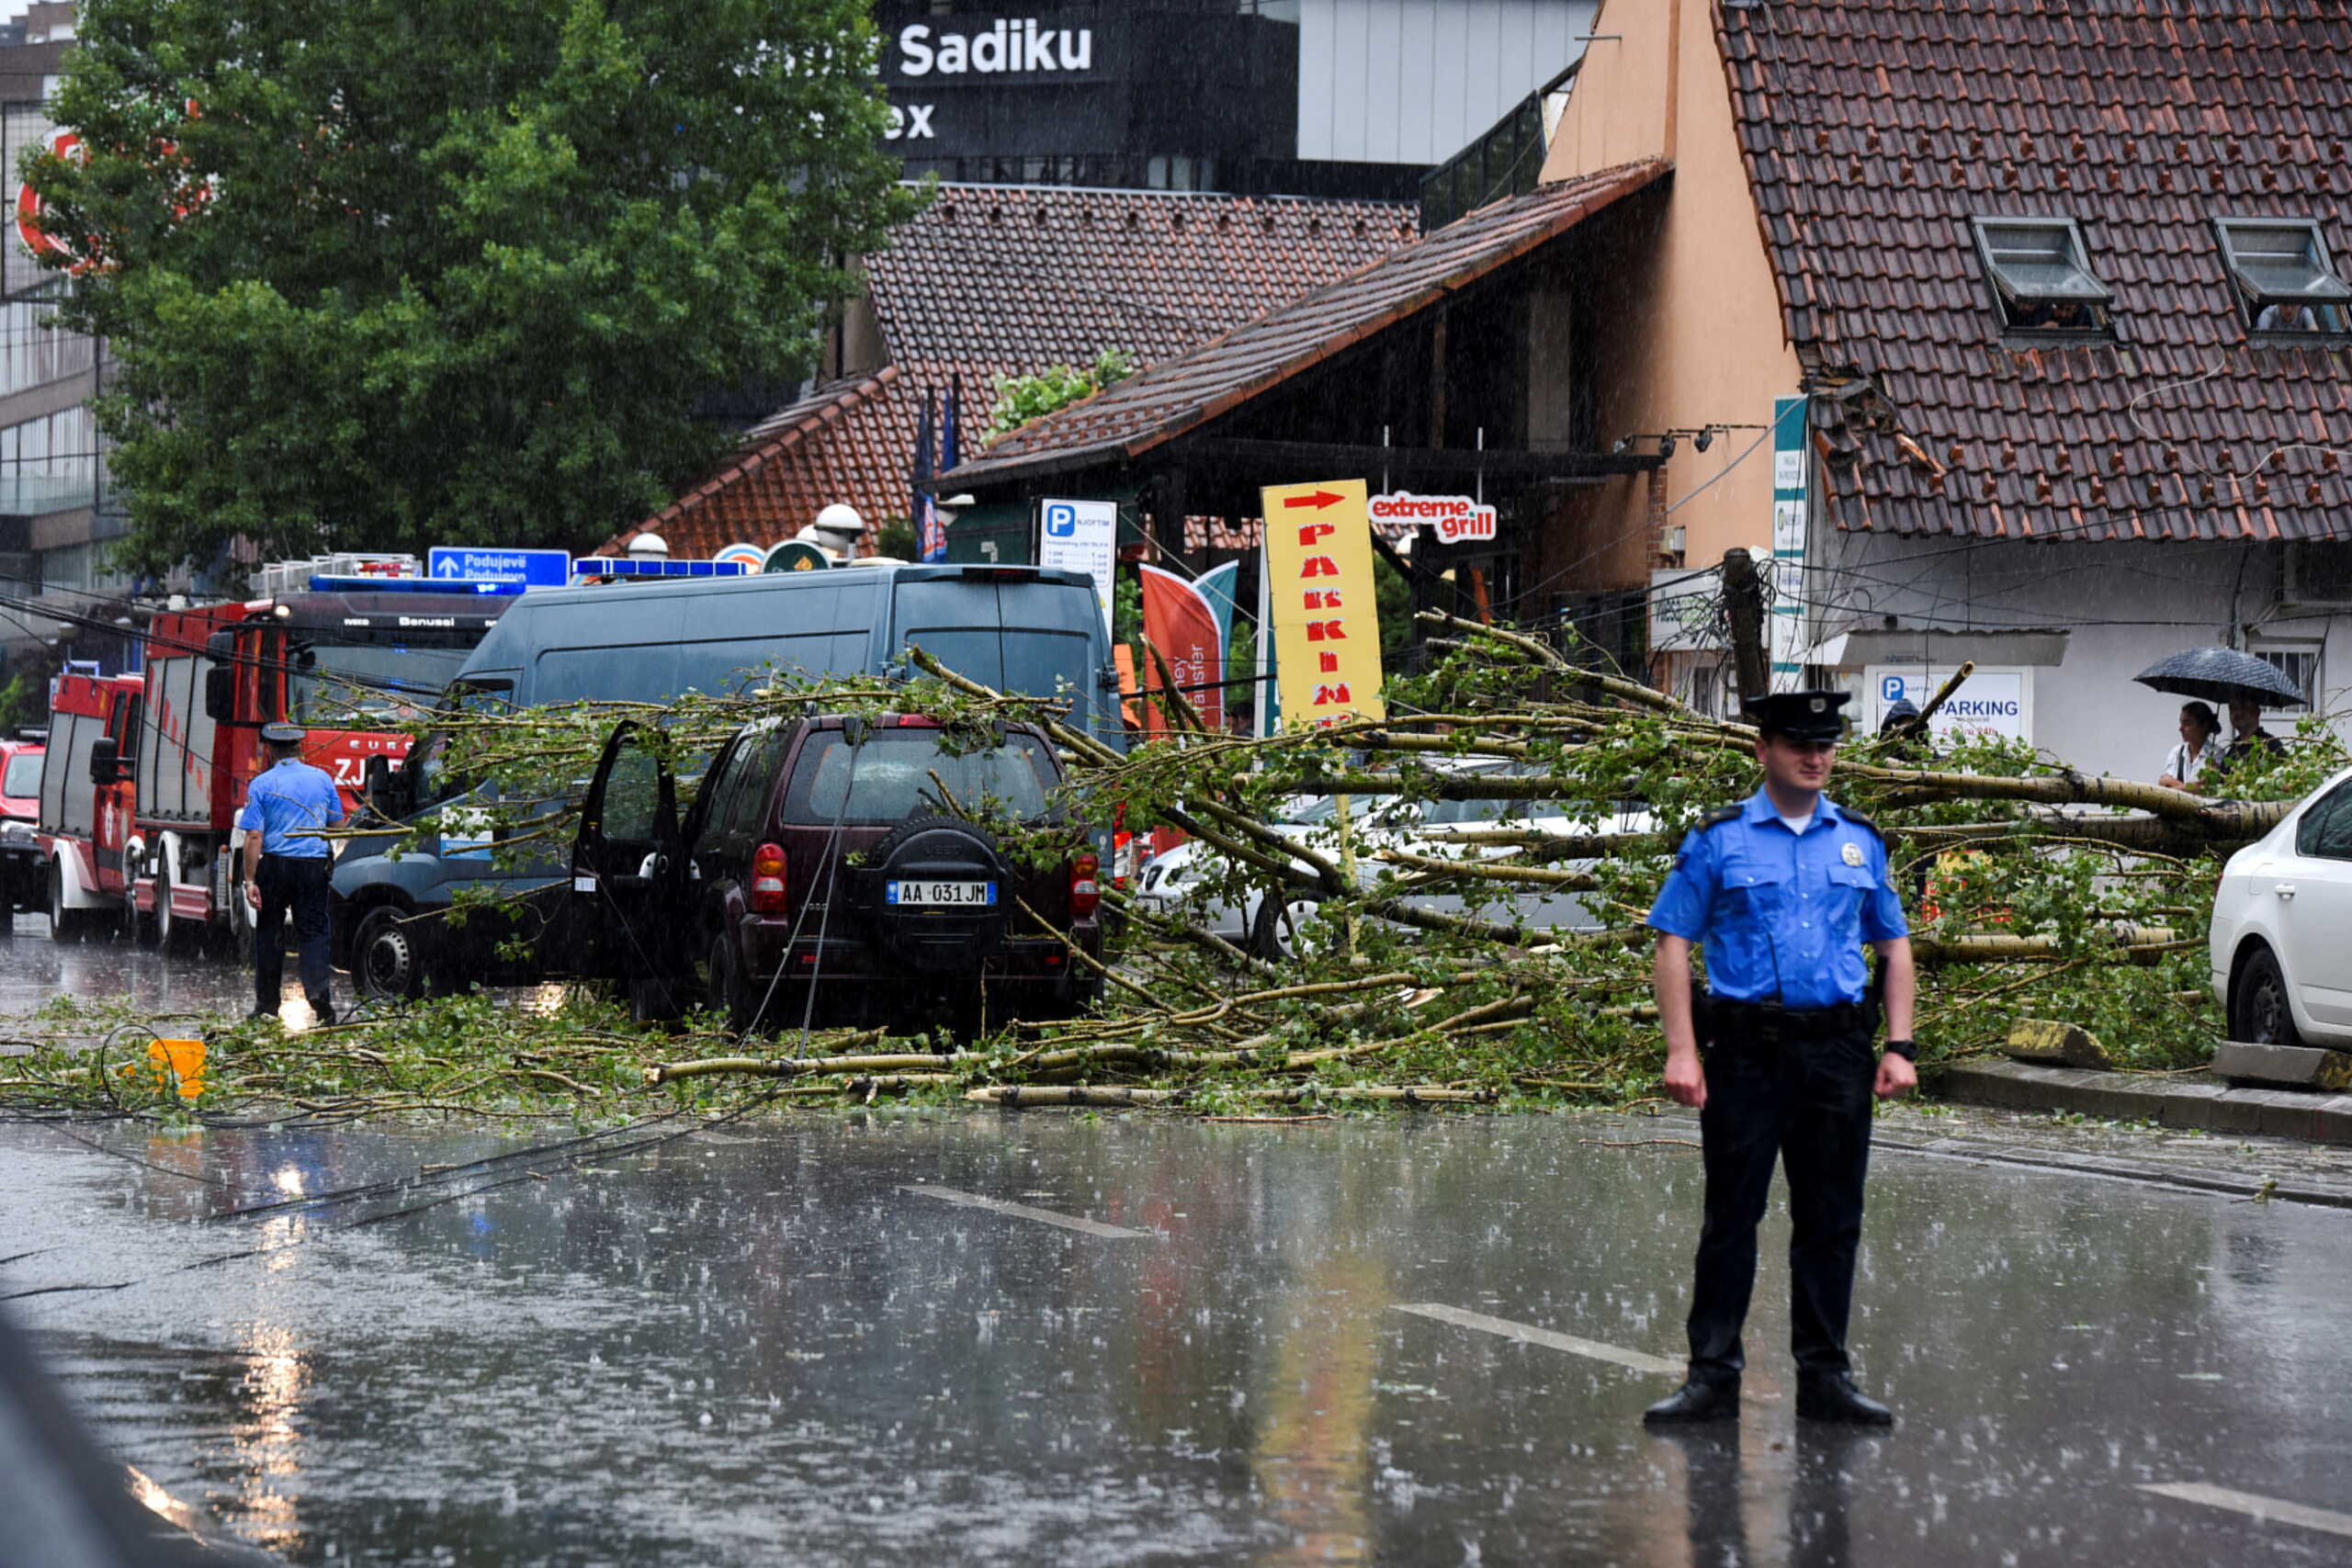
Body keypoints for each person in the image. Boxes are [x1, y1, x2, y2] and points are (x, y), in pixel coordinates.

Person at [1642, 689, 1917, 1427]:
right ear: (1761, 749)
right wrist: (1682, 1050)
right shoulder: (1719, 839)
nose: (1816, 756)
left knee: (1832, 1220)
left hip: (1836, 1053)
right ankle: (1711, 1378)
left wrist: (1899, 1045)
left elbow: (1892, 944)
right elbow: (1673, 939)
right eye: (1799, 743)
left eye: (1826, 744)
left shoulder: (1859, 840)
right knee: (1732, 1216)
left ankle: (1826, 1377)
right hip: (1746, 1052)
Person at [240, 721, 346, 1023]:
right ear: (300, 748)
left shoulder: (261, 784)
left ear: (270, 750)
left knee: (270, 934)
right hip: (313, 867)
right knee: (313, 933)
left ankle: (267, 1007)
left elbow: (254, 837)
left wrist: (250, 880)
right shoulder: (322, 780)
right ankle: (317, 996)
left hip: (274, 866)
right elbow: (338, 825)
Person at [2157, 701, 2222, 790]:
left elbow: (2206, 790)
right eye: (2181, 723)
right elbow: (2163, 782)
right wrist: (2194, 788)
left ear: (2204, 726)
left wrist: (2173, 786)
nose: (2180, 729)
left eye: (2187, 723)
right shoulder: (2177, 752)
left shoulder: (2216, 754)